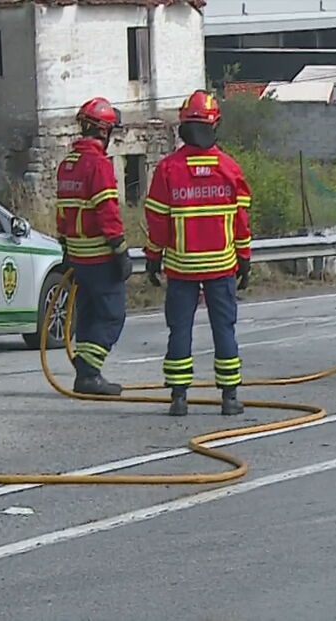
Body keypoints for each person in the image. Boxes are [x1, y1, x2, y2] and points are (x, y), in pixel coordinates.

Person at [144, 89, 252, 416]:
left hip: (181, 268)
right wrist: (244, 258)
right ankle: (229, 398)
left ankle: (179, 398)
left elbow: (157, 221)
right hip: (221, 265)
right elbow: (241, 222)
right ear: (214, 124)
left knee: (180, 330)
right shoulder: (230, 169)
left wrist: (153, 257)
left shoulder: (168, 170)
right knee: (224, 329)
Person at [56, 96, 132, 395]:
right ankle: (88, 371)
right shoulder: (98, 165)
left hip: (78, 256)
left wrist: (66, 248)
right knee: (111, 315)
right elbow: (106, 212)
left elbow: (63, 211)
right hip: (100, 256)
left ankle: (86, 373)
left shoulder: (68, 164)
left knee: (88, 313)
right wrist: (120, 250)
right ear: (103, 130)